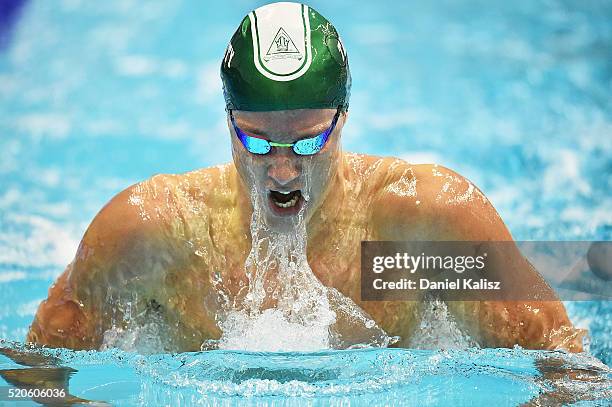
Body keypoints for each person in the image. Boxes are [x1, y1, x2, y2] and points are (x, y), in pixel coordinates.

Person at [27, 2, 584, 352]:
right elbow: (39, 369)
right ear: (227, 123)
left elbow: (563, 367)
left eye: (309, 141)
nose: (284, 170)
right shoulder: (157, 234)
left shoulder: (416, 225)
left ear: (343, 119)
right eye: (257, 141)